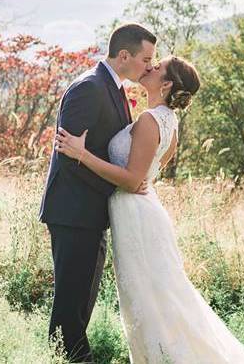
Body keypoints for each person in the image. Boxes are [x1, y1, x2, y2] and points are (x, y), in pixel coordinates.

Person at [55, 56, 244, 363]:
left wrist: (82, 154)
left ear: (165, 85)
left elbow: (132, 179)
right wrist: (138, 180)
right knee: (156, 295)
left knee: (150, 296)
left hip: (137, 216)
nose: (149, 68)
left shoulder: (150, 120)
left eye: (156, 67)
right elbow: (151, 171)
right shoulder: (169, 123)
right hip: (142, 209)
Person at [39, 23, 157, 362]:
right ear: (124, 56)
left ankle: (69, 356)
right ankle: (73, 358)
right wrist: (121, 186)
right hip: (74, 212)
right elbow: (69, 154)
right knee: (70, 305)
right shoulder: (89, 88)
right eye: (145, 59)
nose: (149, 66)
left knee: (80, 302)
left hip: (92, 212)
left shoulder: (114, 87)